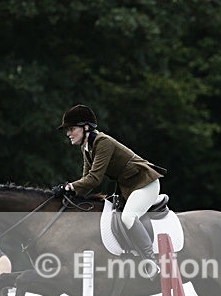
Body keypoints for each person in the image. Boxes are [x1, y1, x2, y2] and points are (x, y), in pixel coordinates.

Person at [55, 104, 165, 279]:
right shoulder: (87, 147)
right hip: (129, 187)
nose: (68, 133)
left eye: (72, 128)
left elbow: (95, 179)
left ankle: (151, 261)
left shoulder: (102, 142)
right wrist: (71, 194)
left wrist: (69, 186)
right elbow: (87, 181)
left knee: (128, 217)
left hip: (145, 183)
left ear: (86, 127)